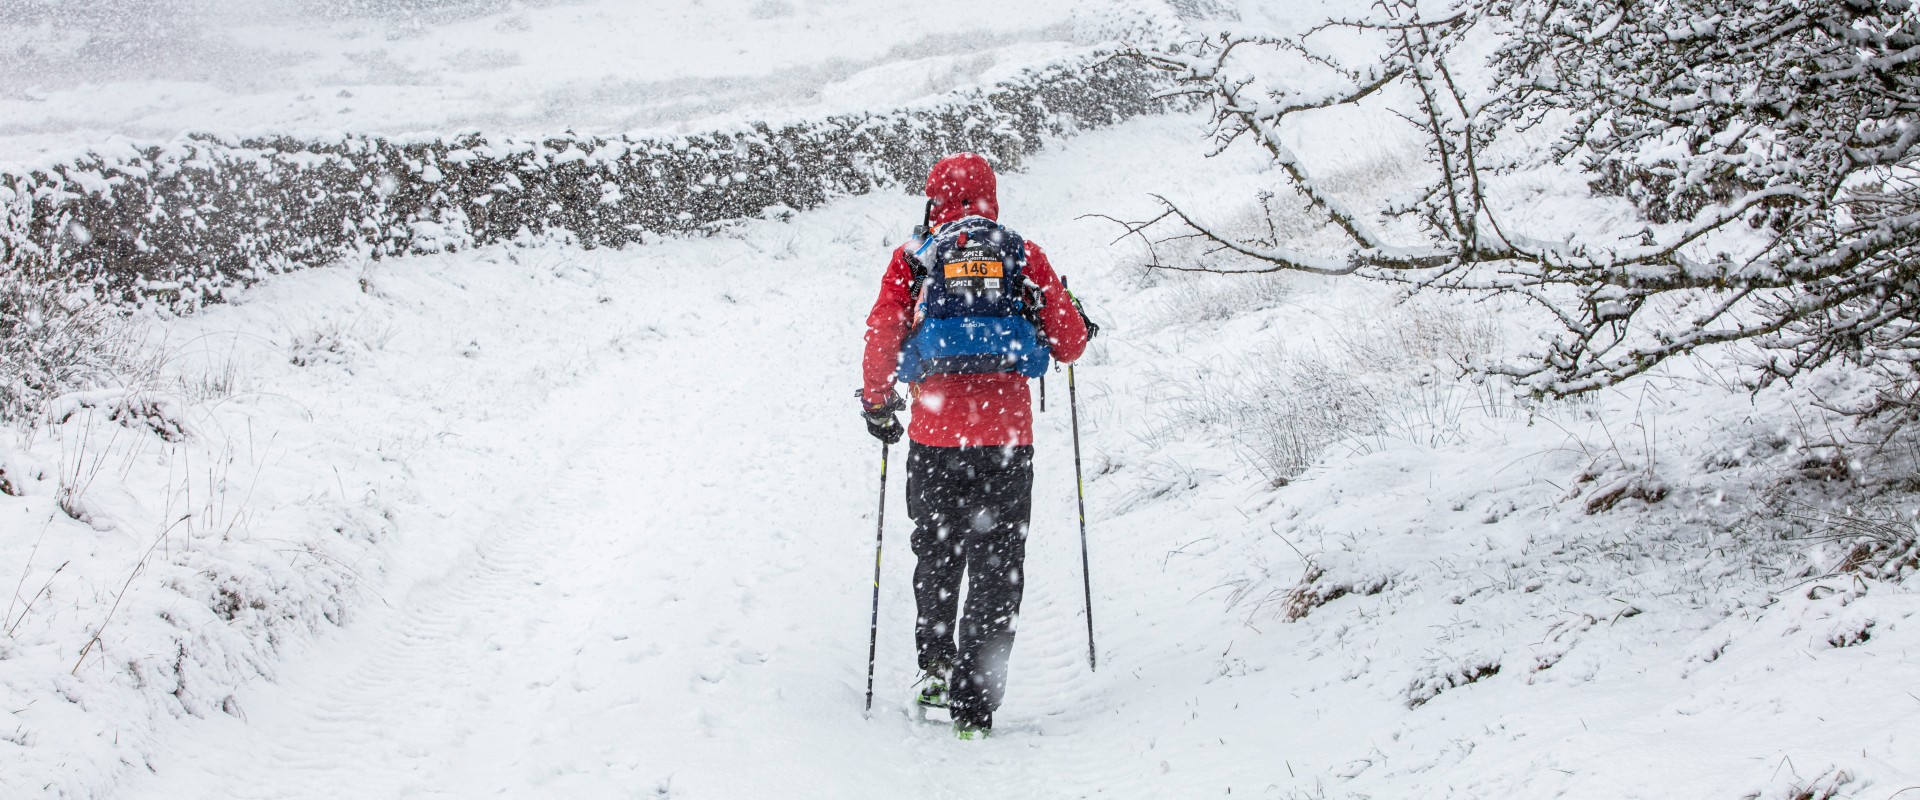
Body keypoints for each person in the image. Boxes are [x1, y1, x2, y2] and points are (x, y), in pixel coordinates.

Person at [858, 152, 1091, 740]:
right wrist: (1076, 315)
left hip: (935, 437)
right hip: (1006, 442)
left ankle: (935, 667)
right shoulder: (1021, 254)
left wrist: (877, 401)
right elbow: (1068, 344)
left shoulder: (914, 259)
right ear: (991, 195)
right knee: (997, 566)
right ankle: (974, 706)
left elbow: (884, 328)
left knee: (937, 553)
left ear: (933, 198)